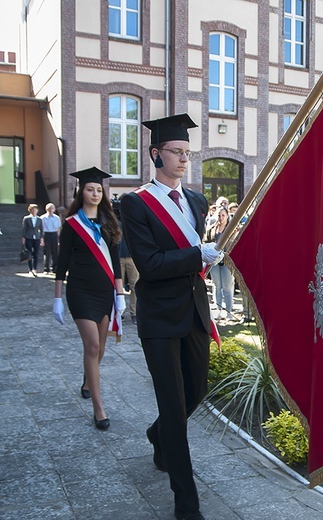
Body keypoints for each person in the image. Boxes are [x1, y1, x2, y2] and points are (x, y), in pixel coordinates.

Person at [120, 113, 222, 520]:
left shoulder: (196, 200)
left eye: (187, 153)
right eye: (176, 152)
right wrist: (198, 254)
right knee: (175, 407)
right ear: (155, 154)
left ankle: (156, 432)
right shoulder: (135, 203)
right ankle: (186, 501)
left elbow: (196, 258)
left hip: (195, 312)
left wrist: (212, 253)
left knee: (195, 393)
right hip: (160, 319)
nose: (183, 159)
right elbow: (151, 262)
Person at [53, 167, 125, 431]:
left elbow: (115, 264)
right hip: (80, 291)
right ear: (80, 192)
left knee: (101, 349)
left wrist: (120, 295)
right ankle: (98, 408)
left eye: (98, 190)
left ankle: (86, 381)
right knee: (93, 346)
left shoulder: (109, 223)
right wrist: (57, 297)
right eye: (89, 189)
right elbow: (61, 263)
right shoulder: (72, 224)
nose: (95, 193)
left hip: (104, 291)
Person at [206, 206, 235, 321]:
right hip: (214, 261)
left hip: (227, 261)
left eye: (223, 215)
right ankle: (218, 310)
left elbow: (234, 243)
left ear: (227, 216)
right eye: (219, 215)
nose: (221, 218)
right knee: (217, 285)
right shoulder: (211, 229)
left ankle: (228, 311)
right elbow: (206, 242)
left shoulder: (232, 229)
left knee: (227, 287)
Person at [22, 203, 44, 276]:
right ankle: (30, 268)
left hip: (36, 237)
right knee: (29, 253)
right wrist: (23, 238)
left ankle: (35, 268)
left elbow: (41, 229)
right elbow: (24, 229)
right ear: (30, 210)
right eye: (32, 209)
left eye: (35, 209)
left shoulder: (39, 219)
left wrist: (41, 238)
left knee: (36, 253)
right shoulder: (26, 218)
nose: (34, 211)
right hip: (28, 237)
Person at [41, 202, 61, 274]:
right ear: (46, 209)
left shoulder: (57, 218)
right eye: (49, 208)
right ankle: (46, 268)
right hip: (46, 234)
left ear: (54, 209)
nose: (51, 210)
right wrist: (42, 238)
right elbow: (41, 229)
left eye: (52, 208)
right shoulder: (43, 218)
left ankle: (54, 268)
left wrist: (58, 238)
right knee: (47, 252)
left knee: (55, 252)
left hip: (54, 234)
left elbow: (58, 228)